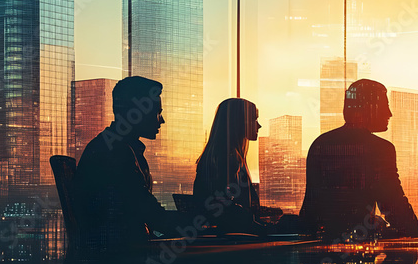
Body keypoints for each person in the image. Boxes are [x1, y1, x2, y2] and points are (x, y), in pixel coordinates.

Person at [300, 78, 418, 239]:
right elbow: (393, 204)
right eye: (385, 106)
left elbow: (314, 207)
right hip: (357, 243)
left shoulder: (319, 144)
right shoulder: (379, 148)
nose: (389, 113)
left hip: (316, 241)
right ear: (368, 109)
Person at [75, 75, 181, 254]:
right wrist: (202, 221)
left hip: (115, 257)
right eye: (157, 112)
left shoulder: (112, 146)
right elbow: (152, 216)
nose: (162, 120)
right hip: (121, 261)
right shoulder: (117, 153)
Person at [193, 97, 280, 233]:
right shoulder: (229, 158)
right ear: (238, 123)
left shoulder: (222, 156)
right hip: (232, 238)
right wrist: (266, 228)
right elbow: (227, 209)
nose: (258, 125)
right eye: (254, 119)